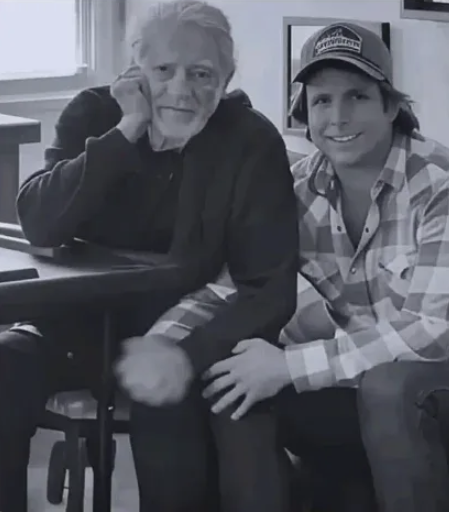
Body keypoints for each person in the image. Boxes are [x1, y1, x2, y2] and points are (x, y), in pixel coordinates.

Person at [153, 22, 449, 512]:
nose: (337, 117)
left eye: (357, 96)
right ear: (305, 114)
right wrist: (164, 344)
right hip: (358, 386)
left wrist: (291, 365)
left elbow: (429, 334)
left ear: (391, 106)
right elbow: (234, 288)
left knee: (391, 385)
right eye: (321, 101)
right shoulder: (294, 190)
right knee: (236, 381)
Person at [0, 2, 299, 512]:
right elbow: (40, 222)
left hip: (184, 336)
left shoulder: (250, 141)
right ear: (135, 71)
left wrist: (183, 355)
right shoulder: (93, 113)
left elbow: (269, 289)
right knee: (4, 366)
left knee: (166, 398)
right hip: (75, 330)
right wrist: (126, 131)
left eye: (201, 74)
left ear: (226, 80)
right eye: (163, 70)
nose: (181, 89)